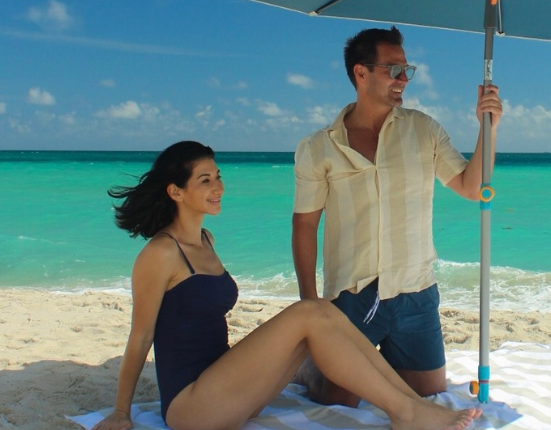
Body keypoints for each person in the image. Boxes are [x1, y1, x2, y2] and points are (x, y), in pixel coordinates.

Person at [93, 140, 481, 430]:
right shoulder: (160, 254)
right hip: (192, 406)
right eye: (205, 180)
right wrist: (121, 412)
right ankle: (408, 412)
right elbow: (140, 337)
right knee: (310, 312)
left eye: (219, 176)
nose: (218, 187)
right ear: (175, 191)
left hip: (228, 388)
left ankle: (409, 403)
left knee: (320, 316)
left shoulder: (206, 241)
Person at [292, 27, 503, 407]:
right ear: (361, 73)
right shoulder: (319, 146)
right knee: (338, 401)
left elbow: (472, 188)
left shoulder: (424, 130)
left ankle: (383, 360)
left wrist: (488, 127)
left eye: (407, 70)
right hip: (352, 297)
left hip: (415, 293)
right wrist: (310, 303)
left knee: (430, 394)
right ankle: (309, 368)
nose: (403, 80)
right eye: (393, 70)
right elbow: (305, 224)